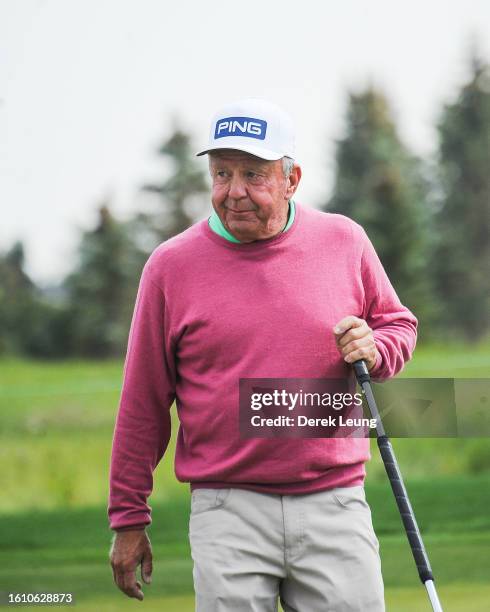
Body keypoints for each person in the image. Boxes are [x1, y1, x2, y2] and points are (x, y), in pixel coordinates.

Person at [108, 98, 417, 611]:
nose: (234, 192)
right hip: (227, 508)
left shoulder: (344, 241)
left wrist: (378, 346)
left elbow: (397, 324)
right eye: (222, 173)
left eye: (254, 174)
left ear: (291, 179)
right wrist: (128, 517)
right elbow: (142, 401)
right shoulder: (170, 267)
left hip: (333, 501)